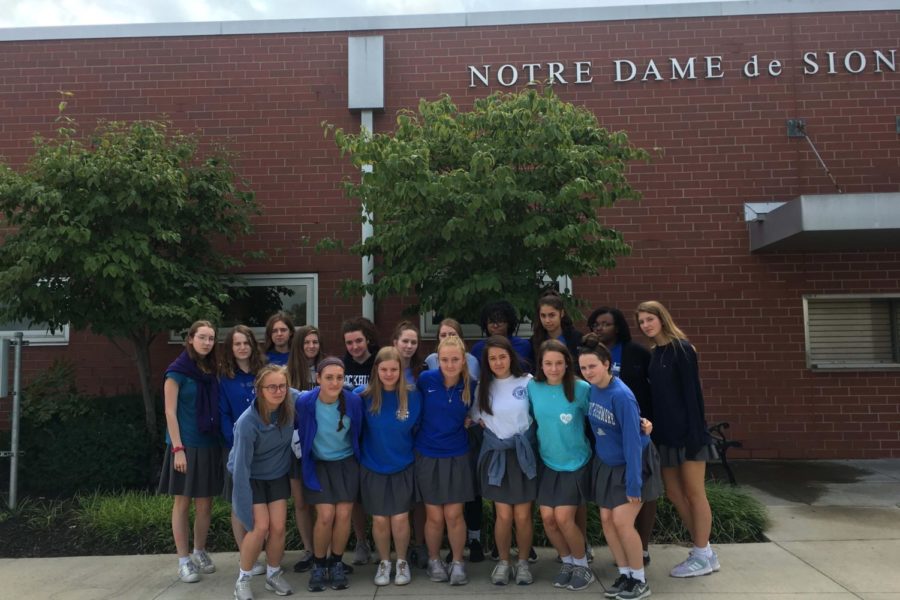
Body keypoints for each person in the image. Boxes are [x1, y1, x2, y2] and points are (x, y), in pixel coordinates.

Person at [636, 300, 720, 578]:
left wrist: (696, 435)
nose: (646, 325)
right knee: (673, 493)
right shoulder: (654, 353)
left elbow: (693, 395)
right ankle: (704, 552)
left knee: (695, 494)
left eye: (650, 319)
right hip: (665, 437)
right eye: (641, 321)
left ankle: (700, 553)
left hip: (690, 435)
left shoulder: (682, 349)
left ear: (662, 318)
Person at [579, 334, 662, 600]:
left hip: (632, 462)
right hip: (607, 463)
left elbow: (632, 442)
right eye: (583, 367)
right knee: (606, 520)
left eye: (592, 366)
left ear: (606, 364)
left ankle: (639, 580)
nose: (588, 371)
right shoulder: (591, 389)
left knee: (622, 522)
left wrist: (635, 482)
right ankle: (625, 574)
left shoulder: (621, 396)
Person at [587, 306, 656, 565]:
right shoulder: (589, 370)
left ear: (617, 327)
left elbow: (650, 390)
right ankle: (627, 567)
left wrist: (645, 423)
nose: (599, 328)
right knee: (611, 516)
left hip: (634, 433)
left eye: (605, 324)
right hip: (606, 441)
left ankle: (641, 553)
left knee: (635, 502)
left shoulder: (635, 353)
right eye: (595, 324)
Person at [158, 320, 223, 584]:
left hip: (209, 443)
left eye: (211, 338)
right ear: (191, 339)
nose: (207, 342)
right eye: (203, 337)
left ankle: (199, 551)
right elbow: (170, 412)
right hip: (185, 445)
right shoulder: (177, 372)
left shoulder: (212, 369)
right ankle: (183, 560)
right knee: (182, 502)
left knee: (205, 502)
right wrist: (178, 449)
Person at [527, 339, 594, 591]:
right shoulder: (533, 387)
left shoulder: (582, 388)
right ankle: (568, 562)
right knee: (549, 519)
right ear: (541, 365)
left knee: (564, 518)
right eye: (548, 363)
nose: (553, 368)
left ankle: (583, 566)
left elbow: (600, 417)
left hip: (575, 462)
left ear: (567, 363)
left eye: (558, 363)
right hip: (547, 462)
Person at [470, 336, 537, 586]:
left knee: (522, 516)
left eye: (502, 356)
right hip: (498, 455)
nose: (498, 362)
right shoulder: (483, 386)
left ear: (511, 356)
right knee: (503, 515)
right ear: (486, 362)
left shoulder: (528, 382)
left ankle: (522, 564)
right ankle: (503, 562)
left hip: (522, 455)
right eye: (492, 358)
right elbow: (476, 416)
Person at [294, 357, 364, 592]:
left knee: (344, 514)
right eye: (329, 378)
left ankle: (336, 563)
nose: (335, 383)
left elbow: (360, 431)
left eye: (339, 378)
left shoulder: (353, 401)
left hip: (346, 463)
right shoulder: (305, 402)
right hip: (318, 464)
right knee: (325, 515)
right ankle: (318, 563)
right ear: (318, 379)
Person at [354, 347, 423, 586]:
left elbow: (418, 429)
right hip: (373, 466)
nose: (389, 373)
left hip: (403, 465)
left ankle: (401, 561)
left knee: (401, 519)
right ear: (376, 370)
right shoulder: (363, 396)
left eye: (394, 369)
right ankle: (384, 562)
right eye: (384, 369)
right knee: (381, 520)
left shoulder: (413, 396)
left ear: (401, 370)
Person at [229, 365, 296, 600]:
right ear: (259, 390)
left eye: (282, 386)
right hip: (250, 476)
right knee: (260, 527)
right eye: (272, 387)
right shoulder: (247, 423)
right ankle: (243, 580)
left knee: (278, 527)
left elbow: (320, 393)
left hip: (276, 474)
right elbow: (240, 469)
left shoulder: (291, 402)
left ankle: (273, 575)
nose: (278, 391)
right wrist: (243, 509)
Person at [415, 335, 477, 586]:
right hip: (428, 453)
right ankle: (433, 560)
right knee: (435, 516)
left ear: (464, 360)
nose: (449, 364)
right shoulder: (426, 380)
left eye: (454, 359)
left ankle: (458, 562)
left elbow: (476, 414)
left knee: (454, 514)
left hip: (457, 454)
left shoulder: (471, 385)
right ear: (437, 360)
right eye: (444, 360)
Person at [219, 325, 269, 576]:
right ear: (231, 348)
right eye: (237, 344)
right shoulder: (225, 377)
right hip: (237, 448)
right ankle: (245, 554)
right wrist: (236, 441)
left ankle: (262, 553)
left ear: (253, 345)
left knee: (264, 502)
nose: (242, 347)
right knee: (240, 502)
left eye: (246, 343)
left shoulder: (264, 371)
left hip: (267, 448)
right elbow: (223, 414)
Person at [340, 317, 378, 565]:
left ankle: (384, 541)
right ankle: (362, 542)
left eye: (358, 341)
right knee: (355, 497)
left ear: (368, 340)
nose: (354, 346)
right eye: (349, 342)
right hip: (350, 438)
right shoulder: (341, 366)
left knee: (378, 493)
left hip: (377, 436)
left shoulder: (379, 363)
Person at [285, 324, 320, 573]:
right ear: (298, 345)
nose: (311, 346)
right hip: (295, 445)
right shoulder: (286, 373)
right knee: (301, 502)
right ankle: (309, 550)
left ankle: (324, 551)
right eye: (306, 342)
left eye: (315, 342)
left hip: (322, 445)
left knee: (322, 501)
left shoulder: (327, 368)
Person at [471, 300, 533, 372]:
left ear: (509, 323)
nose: (495, 325)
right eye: (491, 322)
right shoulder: (478, 348)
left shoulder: (523, 345)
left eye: (499, 321)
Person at [530, 290, 583, 360]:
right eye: (543, 316)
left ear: (562, 314)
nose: (547, 320)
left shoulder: (576, 338)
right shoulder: (534, 341)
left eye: (551, 315)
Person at [392, 320, 425, 384]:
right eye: (405, 341)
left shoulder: (423, 369)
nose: (409, 346)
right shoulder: (386, 369)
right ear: (395, 343)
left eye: (413, 342)